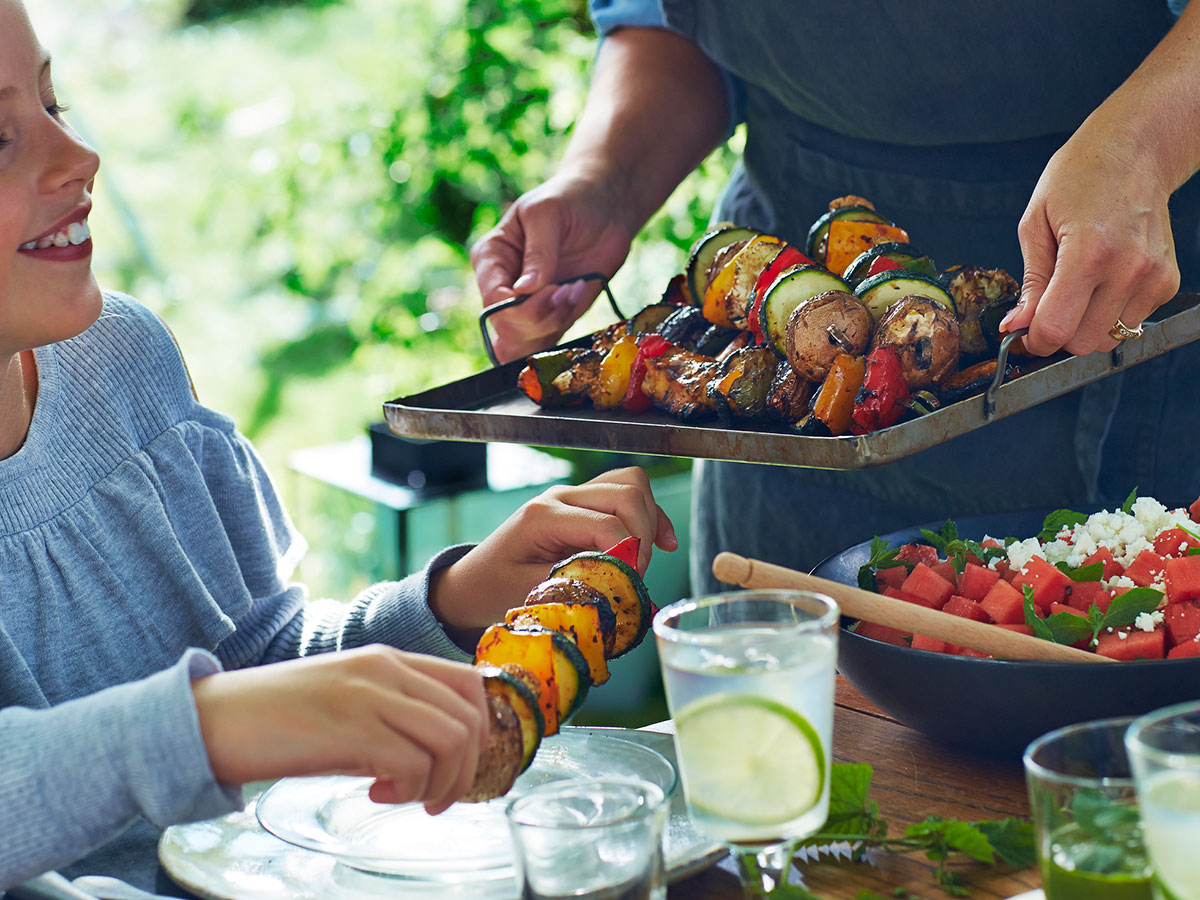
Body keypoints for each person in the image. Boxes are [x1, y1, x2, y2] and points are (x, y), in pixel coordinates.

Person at [0, 0, 677, 889]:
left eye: (53, 103)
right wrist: (208, 726)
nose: (78, 156)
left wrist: (456, 602)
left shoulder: (121, 361)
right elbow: (232, 717)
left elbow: (260, 668)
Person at [471, 1, 1200, 593]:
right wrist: (607, 180)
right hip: (783, 424)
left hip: (1128, 272)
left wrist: (1143, 147)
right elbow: (671, 20)